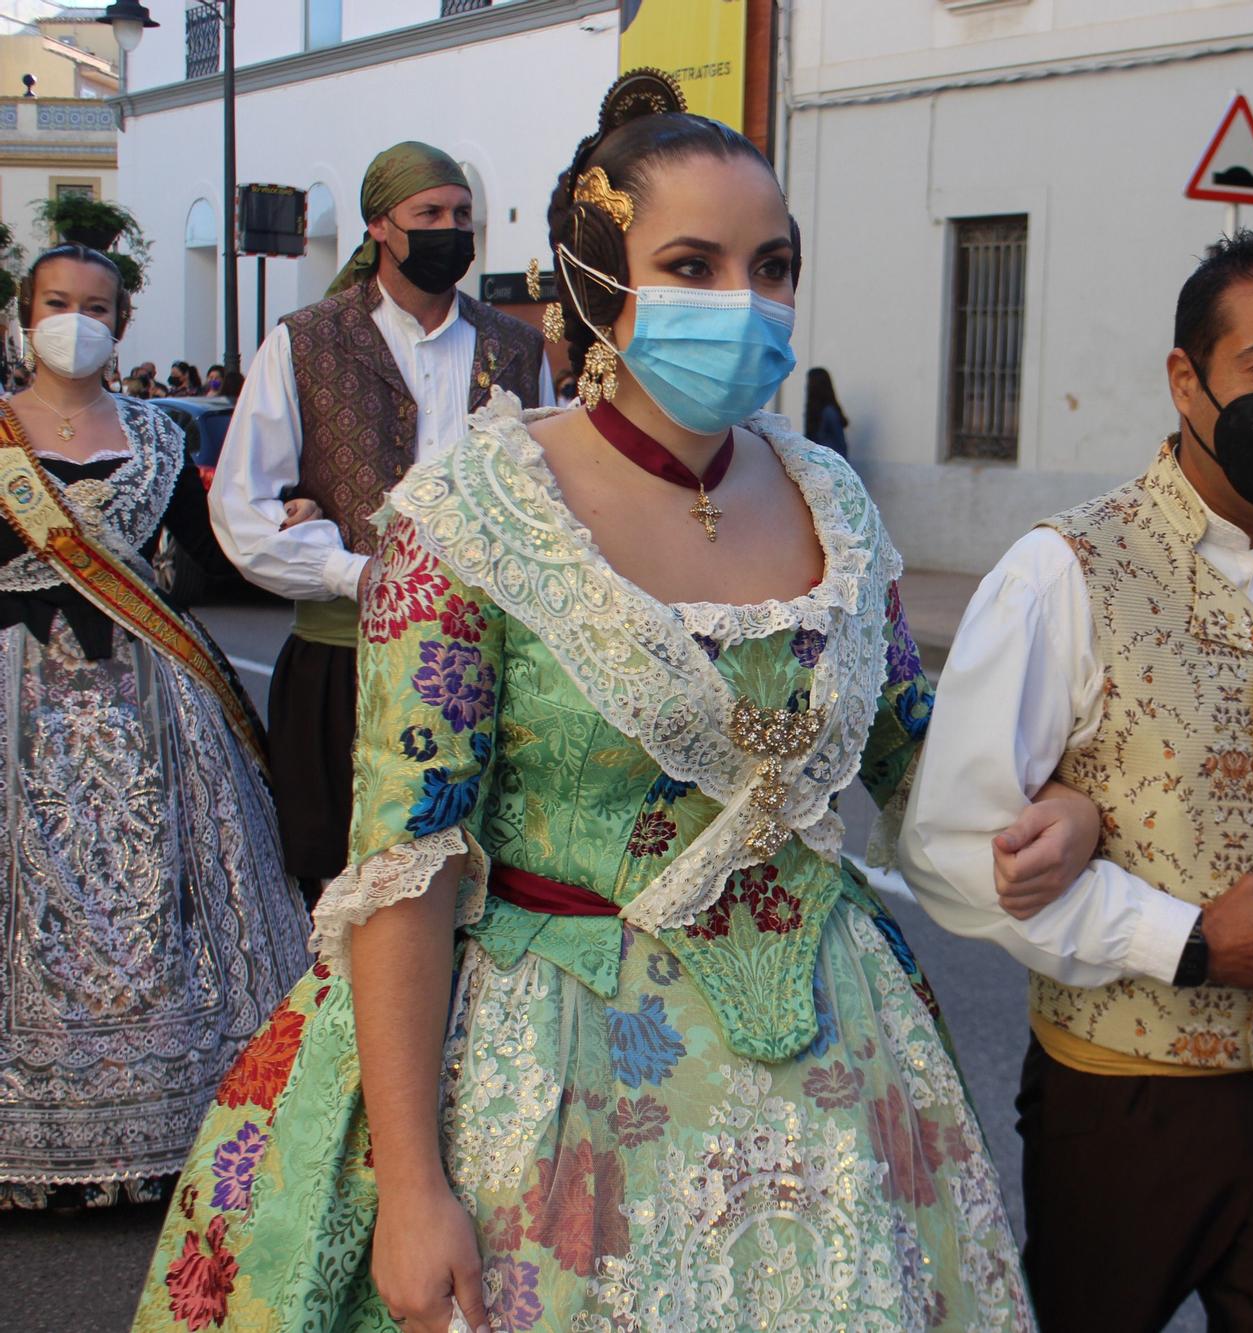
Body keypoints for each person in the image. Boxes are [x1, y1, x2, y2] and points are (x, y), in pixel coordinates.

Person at [134, 70, 1096, 1331]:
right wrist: (414, 1183)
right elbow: (408, 864)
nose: (742, 303)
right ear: (595, 280)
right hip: (559, 1072)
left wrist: (1060, 810)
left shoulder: (833, 505)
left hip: (835, 1053)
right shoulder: (473, 516)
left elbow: (915, 753)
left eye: (773, 265)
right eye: (692, 264)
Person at [902, 227, 1253, 1332]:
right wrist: (1182, 940)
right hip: (1124, 1104)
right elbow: (947, 852)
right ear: (1187, 379)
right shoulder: (1063, 570)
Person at [0, 244, 310, 1210]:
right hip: (16, 694)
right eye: (57, 302)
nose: (76, 321)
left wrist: (285, 519)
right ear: (24, 313)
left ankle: (181, 1122)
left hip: (152, 697)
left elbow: (213, 555)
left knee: (173, 892)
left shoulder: (157, 435)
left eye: (95, 305)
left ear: (122, 323)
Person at [208, 142, 552, 909]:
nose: (450, 229)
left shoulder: (517, 348)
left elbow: (547, 490)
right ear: (379, 228)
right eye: (428, 214)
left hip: (489, 664)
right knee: (341, 891)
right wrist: (353, 571)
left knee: (475, 885)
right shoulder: (307, 341)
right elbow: (242, 507)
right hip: (344, 667)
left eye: (461, 214)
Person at [803, 364, 848, 457]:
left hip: (830, 463)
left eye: (809, 382)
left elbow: (840, 443)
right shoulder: (814, 411)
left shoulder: (829, 412)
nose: (806, 386)